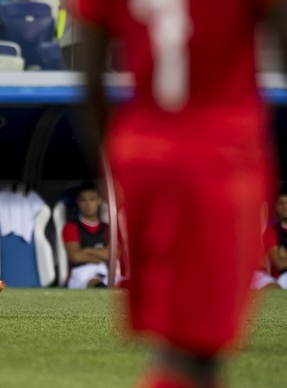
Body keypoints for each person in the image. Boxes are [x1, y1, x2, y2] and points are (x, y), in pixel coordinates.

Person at [72, 0, 286, 387]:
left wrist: (113, 162)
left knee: (181, 344)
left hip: (140, 155)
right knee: (197, 351)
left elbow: (88, 77)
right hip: (221, 156)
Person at [61, 181, 109, 288]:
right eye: (83, 200)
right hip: (81, 272)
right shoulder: (71, 227)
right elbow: (75, 257)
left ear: (99, 201)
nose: (88, 204)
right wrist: (100, 256)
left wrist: (87, 251)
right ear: (78, 202)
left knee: (125, 284)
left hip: (106, 270)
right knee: (97, 285)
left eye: (92, 199)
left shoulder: (107, 228)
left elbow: (112, 254)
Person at [262, 188, 287, 288]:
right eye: (281, 203)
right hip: (280, 279)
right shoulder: (270, 231)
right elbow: (279, 263)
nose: (285, 206)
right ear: (276, 206)